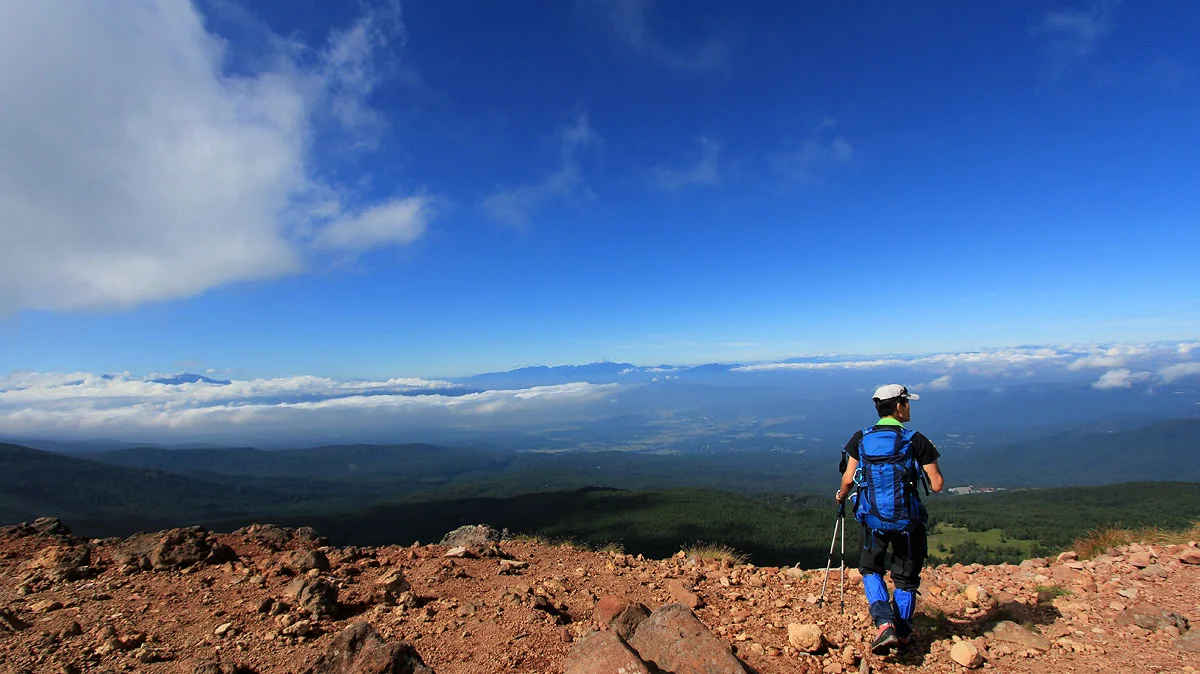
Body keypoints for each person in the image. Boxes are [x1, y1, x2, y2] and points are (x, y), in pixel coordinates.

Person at [836, 384, 944, 654]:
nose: (909, 408)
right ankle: (904, 633)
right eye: (907, 403)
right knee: (906, 580)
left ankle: (884, 623)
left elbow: (848, 479)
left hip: (872, 521)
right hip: (908, 523)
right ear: (898, 406)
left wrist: (841, 495)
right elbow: (938, 484)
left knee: (871, 569)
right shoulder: (916, 439)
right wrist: (926, 455)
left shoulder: (860, 438)